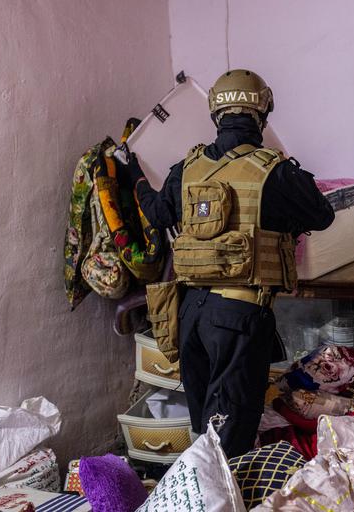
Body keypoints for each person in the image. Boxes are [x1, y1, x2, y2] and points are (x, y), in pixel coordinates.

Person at [123, 69, 335, 457]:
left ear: (215, 115)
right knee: (231, 437)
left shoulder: (185, 169)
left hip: (189, 315)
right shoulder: (276, 170)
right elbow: (322, 215)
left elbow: (156, 212)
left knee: (206, 429)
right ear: (263, 114)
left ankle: (205, 493)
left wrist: (134, 171)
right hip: (238, 315)